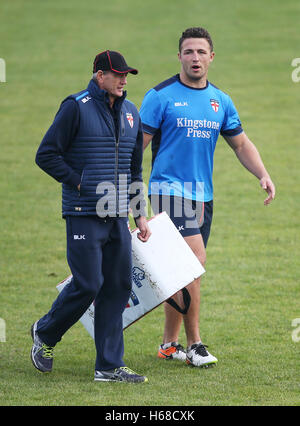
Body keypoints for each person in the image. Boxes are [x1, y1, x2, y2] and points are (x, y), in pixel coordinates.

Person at [140, 27, 275, 367]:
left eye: (201, 52)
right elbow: (135, 148)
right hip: (167, 190)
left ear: (211, 57)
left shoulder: (221, 101)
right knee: (192, 264)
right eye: (189, 52)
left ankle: (169, 344)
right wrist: (129, 193)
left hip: (204, 197)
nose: (195, 58)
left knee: (182, 271)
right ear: (180, 57)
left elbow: (241, 143)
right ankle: (195, 345)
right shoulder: (160, 96)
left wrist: (262, 174)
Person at [31, 50, 151, 383]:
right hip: (83, 212)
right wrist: (80, 182)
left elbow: (134, 169)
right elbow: (46, 155)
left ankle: (108, 366)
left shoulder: (130, 112)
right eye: (117, 74)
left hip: (117, 217)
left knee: (118, 286)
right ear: (100, 76)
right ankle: (44, 332)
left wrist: (140, 214)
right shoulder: (75, 107)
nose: (124, 80)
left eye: (126, 74)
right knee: (88, 284)